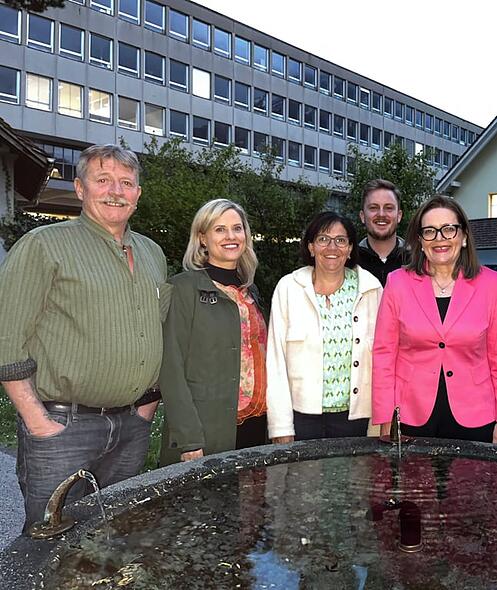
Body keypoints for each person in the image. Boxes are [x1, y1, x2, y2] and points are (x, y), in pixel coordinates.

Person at [0, 144, 169, 531]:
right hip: (63, 429)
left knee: (114, 538)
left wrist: (145, 411)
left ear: (138, 194)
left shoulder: (152, 253)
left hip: (131, 429)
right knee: (50, 544)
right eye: (103, 180)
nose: (116, 191)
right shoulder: (43, 245)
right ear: (80, 188)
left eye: (126, 183)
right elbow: (6, 338)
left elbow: (157, 330)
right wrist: (38, 422)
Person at [372, 195, 497, 442]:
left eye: (449, 229)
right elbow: (384, 354)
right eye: (430, 231)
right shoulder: (397, 283)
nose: (439, 238)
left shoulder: (491, 285)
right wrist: (385, 416)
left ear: (463, 236)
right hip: (410, 413)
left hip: (476, 414)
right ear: (420, 241)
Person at [159, 198, 267, 465]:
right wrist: (188, 438)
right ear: (202, 238)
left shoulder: (250, 291)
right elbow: (170, 367)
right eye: (220, 229)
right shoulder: (183, 288)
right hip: (206, 430)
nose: (231, 236)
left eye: (237, 228)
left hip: (255, 423)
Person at [266, 211, 383, 443]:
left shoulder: (371, 289)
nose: (332, 247)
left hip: (355, 417)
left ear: (350, 248)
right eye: (323, 239)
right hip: (301, 417)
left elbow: (383, 357)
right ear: (311, 247)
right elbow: (275, 360)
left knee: (354, 469)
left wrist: (380, 420)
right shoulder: (289, 288)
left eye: (341, 240)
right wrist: (280, 427)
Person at [358, 179, 405, 286]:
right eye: (373, 208)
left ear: (399, 216)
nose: (381, 214)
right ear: (362, 216)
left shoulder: (417, 261)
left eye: (389, 208)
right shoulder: (348, 262)